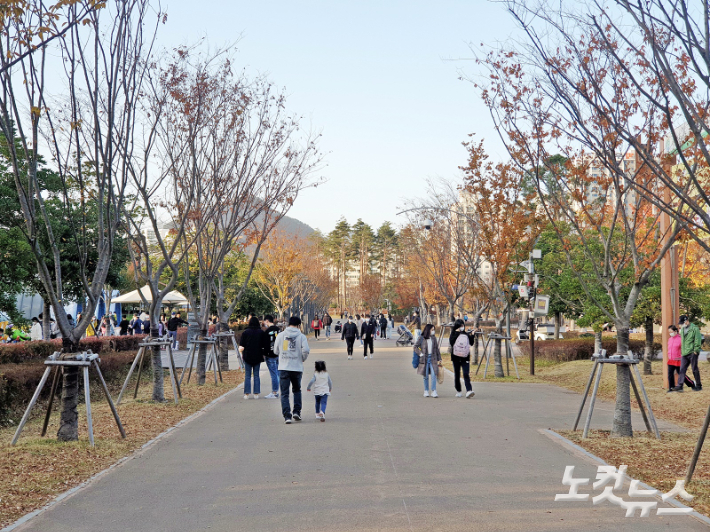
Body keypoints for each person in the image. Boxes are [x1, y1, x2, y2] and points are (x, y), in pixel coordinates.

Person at [274, 316, 310, 424]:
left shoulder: (281, 335)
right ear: (299, 325)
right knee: (297, 390)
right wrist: (302, 358)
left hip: (284, 367)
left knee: (284, 393)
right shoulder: (301, 336)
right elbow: (306, 350)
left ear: (288, 324)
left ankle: (287, 416)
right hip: (296, 367)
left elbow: (275, 351)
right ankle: (297, 412)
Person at [239, 316, 268, 399]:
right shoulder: (261, 332)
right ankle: (256, 393)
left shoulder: (245, 332)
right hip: (258, 355)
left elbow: (242, 344)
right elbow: (264, 345)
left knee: (247, 375)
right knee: (256, 375)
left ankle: (246, 393)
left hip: (247, 355)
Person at [672, 315, 703, 392]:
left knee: (694, 369)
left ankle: (698, 385)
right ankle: (679, 386)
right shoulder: (682, 330)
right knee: (682, 369)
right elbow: (682, 341)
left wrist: (696, 350)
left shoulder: (694, 328)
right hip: (684, 353)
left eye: (682, 323)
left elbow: (697, 339)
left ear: (687, 321)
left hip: (692, 352)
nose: (681, 324)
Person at [449, 319, 475, 398]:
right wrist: (457, 333)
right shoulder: (453, 333)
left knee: (466, 373)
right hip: (456, 357)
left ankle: (469, 390)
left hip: (465, 357)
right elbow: (451, 342)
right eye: (460, 326)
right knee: (457, 374)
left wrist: (472, 335)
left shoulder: (466, 334)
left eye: (463, 326)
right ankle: (458, 390)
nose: (462, 327)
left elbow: (471, 343)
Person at [414, 323, 442, 397]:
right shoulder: (422, 338)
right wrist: (420, 354)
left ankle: (434, 391)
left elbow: (436, 349)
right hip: (424, 359)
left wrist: (439, 358)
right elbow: (415, 347)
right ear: (428, 330)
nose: (433, 331)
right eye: (432, 330)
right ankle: (426, 390)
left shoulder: (434, 338)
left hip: (433, 358)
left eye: (434, 330)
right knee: (425, 375)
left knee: (434, 375)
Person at [666, 325, 694, 392]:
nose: (670, 333)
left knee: (681, 374)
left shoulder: (681, 339)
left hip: (679, 360)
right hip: (671, 360)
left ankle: (692, 384)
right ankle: (671, 388)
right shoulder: (670, 339)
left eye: (671, 331)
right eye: (669, 332)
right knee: (670, 374)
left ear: (675, 331)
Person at [263, 315, 281, 398]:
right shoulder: (279, 330)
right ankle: (278, 390)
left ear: (267, 321)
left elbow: (265, 345)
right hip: (278, 354)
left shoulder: (267, 332)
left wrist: (264, 354)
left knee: (273, 374)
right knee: (278, 373)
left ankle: (274, 392)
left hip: (270, 355)